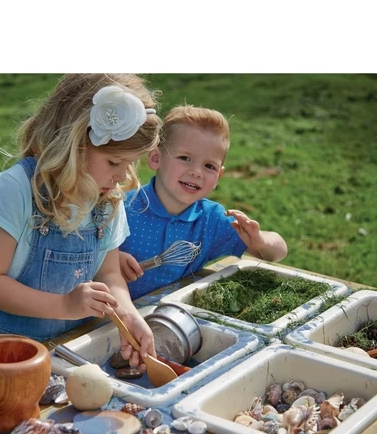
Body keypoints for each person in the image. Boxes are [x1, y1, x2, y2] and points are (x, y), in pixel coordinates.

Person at [0, 74, 162, 369]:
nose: (122, 175)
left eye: (129, 163)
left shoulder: (107, 199)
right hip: (2, 361)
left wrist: (128, 314)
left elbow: (109, 273)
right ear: (73, 143)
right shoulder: (17, 189)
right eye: (114, 162)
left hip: (70, 355)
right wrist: (64, 306)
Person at [119, 105, 288, 299]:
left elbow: (278, 252)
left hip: (174, 312)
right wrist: (110, 261)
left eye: (209, 166)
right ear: (156, 158)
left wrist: (260, 241)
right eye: (185, 158)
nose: (196, 172)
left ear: (218, 176)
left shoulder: (211, 220)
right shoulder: (120, 208)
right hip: (110, 314)